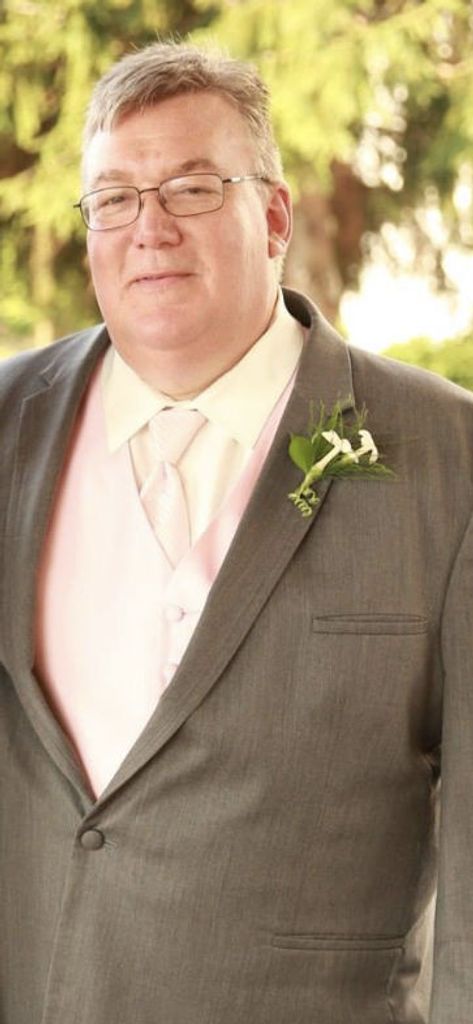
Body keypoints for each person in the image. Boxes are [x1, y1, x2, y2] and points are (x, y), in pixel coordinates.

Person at [0, 39, 472, 1024]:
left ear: (274, 216)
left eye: (192, 187)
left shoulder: (443, 452)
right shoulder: (9, 425)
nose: (149, 228)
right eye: (115, 198)